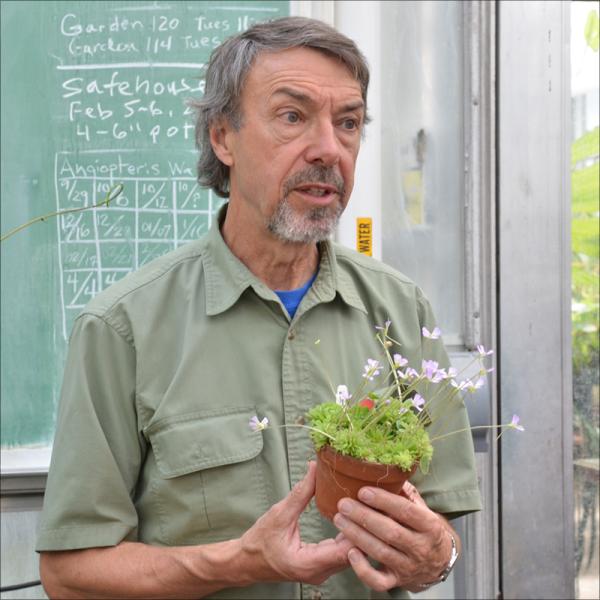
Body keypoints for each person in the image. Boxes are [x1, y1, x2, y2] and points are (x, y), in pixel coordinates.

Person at [37, 16, 482, 599]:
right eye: (293, 116)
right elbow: (69, 574)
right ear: (223, 137)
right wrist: (238, 561)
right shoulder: (123, 329)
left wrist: (438, 557)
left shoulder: (400, 309)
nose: (329, 148)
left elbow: (441, 529)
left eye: (347, 123)